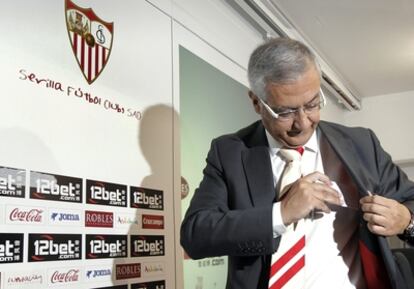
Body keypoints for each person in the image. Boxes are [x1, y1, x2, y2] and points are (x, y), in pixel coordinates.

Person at [180, 38, 414, 289]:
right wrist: (281, 213)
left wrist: (406, 221)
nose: (303, 123)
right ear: (257, 102)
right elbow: (196, 236)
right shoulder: (230, 152)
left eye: (312, 104)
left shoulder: (361, 144)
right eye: (285, 112)